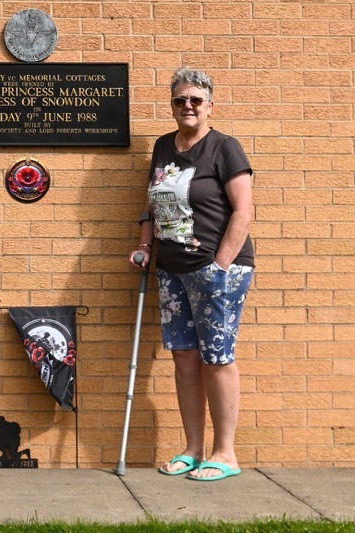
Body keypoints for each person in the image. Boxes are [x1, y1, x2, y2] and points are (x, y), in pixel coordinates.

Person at [131, 67, 254, 482]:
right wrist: (147, 246)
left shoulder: (225, 148)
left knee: (216, 358)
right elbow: (153, 205)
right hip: (172, 269)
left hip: (217, 269)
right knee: (184, 358)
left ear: (210, 106)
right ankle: (193, 448)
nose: (187, 106)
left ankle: (226, 453)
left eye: (196, 100)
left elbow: (244, 211)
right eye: (180, 100)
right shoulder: (164, 147)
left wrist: (220, 266)